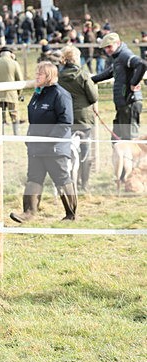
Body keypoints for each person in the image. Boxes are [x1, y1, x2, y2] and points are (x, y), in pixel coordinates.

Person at [11, 61, 76, 222]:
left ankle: (70, 214)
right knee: (33, 178)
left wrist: (49, 140)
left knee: (62, 180)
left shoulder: (61, 94)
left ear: (49, 76)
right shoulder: (37, 93)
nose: (36, 76)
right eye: (36, 73)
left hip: (54, 149)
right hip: (35, 148)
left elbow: (65, 122)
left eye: (39, 74)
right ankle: (28, 213)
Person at [91, 32, 147, 141]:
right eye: (105, 48)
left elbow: (142, 64)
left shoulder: (125, 55)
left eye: (109, 46)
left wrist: (133, 83)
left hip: (130, 102)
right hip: (122, 103)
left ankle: (132, 158)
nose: (107, 50)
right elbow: (108, 73)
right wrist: (89, 80)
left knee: (129, 141)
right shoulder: (117, 58)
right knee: (116, 140)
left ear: (118, 43)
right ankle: (118, 158)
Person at [58, 45, 98, 191]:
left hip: (66, 119)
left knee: (66, 151)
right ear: (76, 58)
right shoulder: (83, 75)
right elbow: (93, 97)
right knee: (84, 152)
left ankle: (67, 183)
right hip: (84, 119)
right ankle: (84, 184)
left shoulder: (59, 77)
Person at [0, 46, 22, 134]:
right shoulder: (14, 63)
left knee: (0, 116)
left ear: (0, 54)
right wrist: (18, 93)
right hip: (11, 94)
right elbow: (19, 80)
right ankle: (16, 134)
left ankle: (0, 135)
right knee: (14, 115)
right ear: (10, 54)